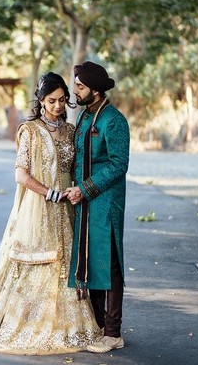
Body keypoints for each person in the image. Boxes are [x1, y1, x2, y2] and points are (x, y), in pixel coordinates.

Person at [0, 72, 101, 355]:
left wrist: (77, 190)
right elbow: (20, 174)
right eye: (52, 101)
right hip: (40, 208)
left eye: (62, 100)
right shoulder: (29, 131)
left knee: (67, 265)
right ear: (41, 101)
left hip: (68, 208)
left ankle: (67, 327)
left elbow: (76, 167)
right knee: (34, 264)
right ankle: (26, 324)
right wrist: (49, 192)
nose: (58, 105)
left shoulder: (71, 131)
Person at [65, 61, 130, 353]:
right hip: (85, 202)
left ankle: (113, 332)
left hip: (105, 201)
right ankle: (100, 326)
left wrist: (86, 189)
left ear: (94, 89)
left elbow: (119, 164)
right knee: (90, 260)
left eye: (79, 86)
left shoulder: (113, 120)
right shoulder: (83, 117)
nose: (75, 91)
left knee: (110, 259)